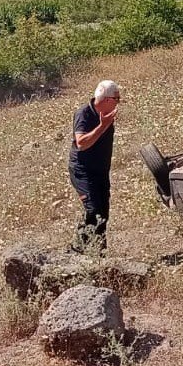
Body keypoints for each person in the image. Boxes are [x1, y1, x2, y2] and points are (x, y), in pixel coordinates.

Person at [68, 80, 120, 252]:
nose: (118, 103)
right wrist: (102, 125)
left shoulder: (107, 114)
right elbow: (81, 143)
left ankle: (98, 254)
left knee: (103, 214)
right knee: (93, 209)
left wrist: (105, 123)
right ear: (106, 100)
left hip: (100, 172)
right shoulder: (84, 113)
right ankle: (77, 250)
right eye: (117, 99)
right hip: (83, 171)